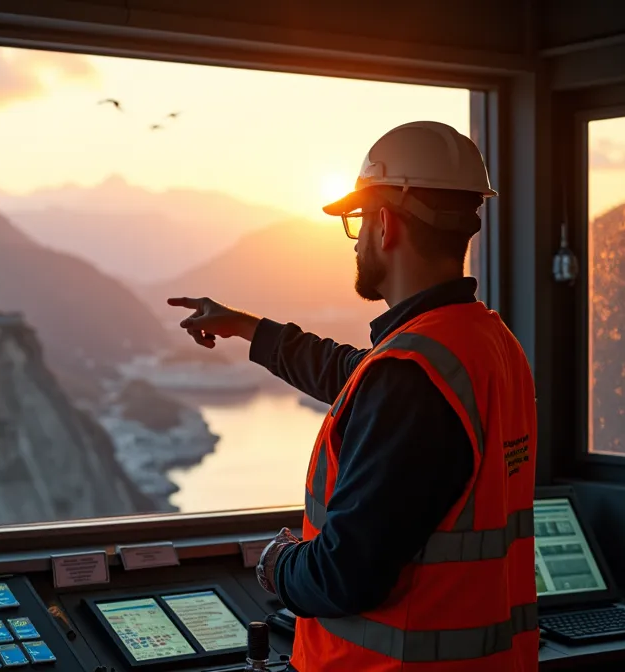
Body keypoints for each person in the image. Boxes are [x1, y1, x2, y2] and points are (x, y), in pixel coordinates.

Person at [168, 121, 537, 671]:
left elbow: (344, 575)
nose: (358, 237)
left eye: (359, 220)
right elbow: (358, 375)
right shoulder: (484, 342)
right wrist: (250, 328)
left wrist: (277, 564)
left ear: (385, 223)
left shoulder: (412, 374)